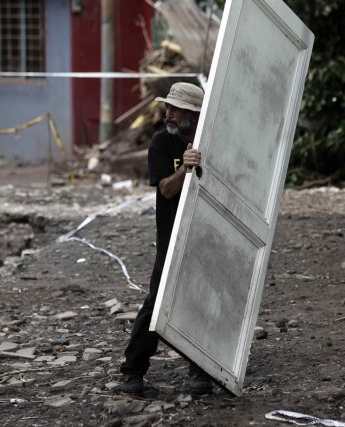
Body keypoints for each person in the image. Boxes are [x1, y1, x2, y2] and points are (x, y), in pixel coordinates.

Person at [117, 82, 214, 395]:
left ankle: (200, 372)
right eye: (168, 107)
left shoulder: (213, 142)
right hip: (171, 236)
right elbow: (166, 190)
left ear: (193, 114)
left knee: (198, 301)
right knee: (157, 301)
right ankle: (133, 373)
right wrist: (185, 169)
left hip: (206, 236)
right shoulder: (161, 143)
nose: (168, 114)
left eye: (175, 109)